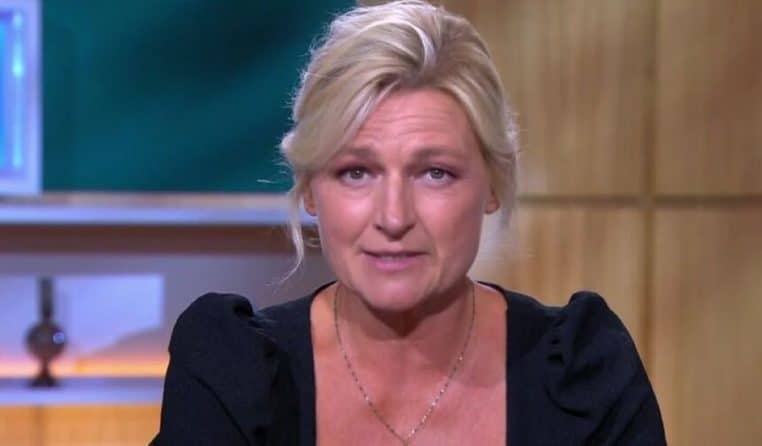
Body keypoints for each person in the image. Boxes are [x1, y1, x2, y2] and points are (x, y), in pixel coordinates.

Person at [152, 1, 666, 445]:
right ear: (309, 188)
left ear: (492, 185)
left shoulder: (584, 375)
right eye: (356, 172)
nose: (394, 217)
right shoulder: (231, 374)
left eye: (435, 173)